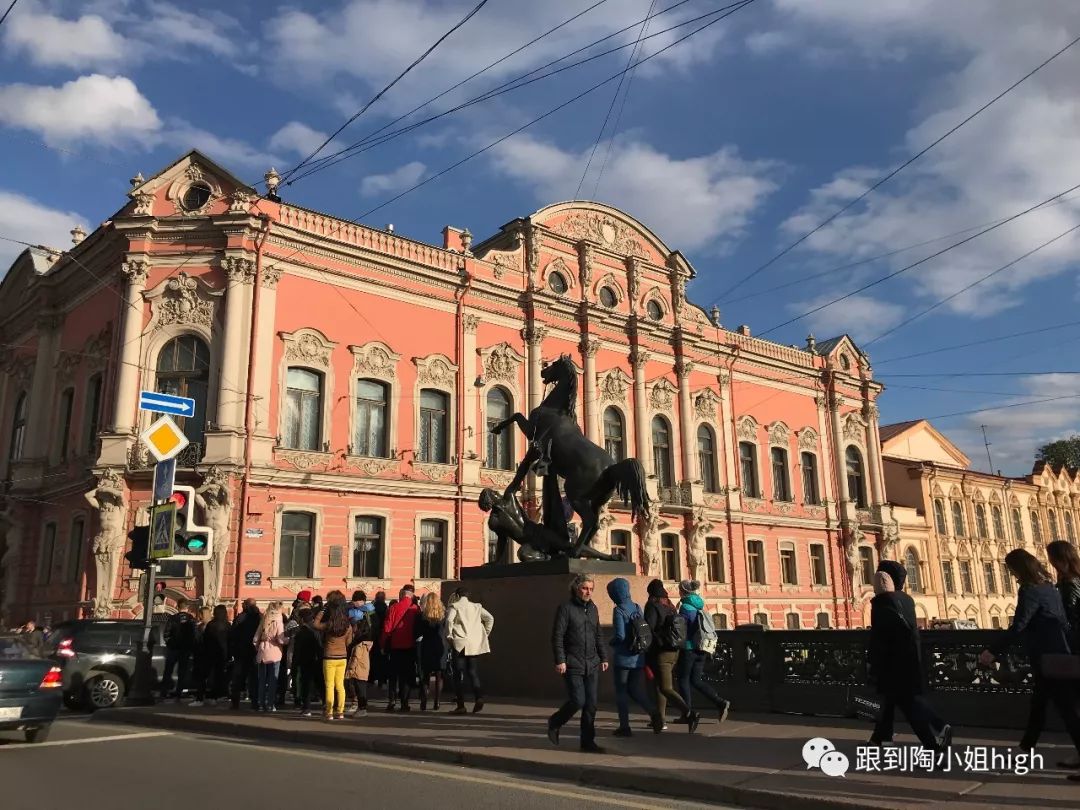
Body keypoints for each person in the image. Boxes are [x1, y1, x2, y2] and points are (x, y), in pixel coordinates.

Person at [980, 549, 1080, 780]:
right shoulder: (1049, 587)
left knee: (1066, 710)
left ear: (1018, 569)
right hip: (1059, 653)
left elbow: (1020, 625)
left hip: (1046, 657)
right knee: (1040, 705)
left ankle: (1026, 750)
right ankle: (1025, 749)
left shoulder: (1030, 590)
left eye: (1011, 569)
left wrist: (992, 651)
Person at [868, 562, 950, 752]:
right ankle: (880, 741)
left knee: (909, 707)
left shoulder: (881, 603)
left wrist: (872, 663)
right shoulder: (907, 600)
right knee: (892, 703)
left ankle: (936, 738)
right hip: (910, 660)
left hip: (892, 665)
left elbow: (879, 638)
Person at [547, 574, 608, 753]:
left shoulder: (594, 608)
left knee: (591, 705)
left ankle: (588, 742)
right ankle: (555, 722)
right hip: (572, 663)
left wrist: (603, 657)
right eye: (584, 588)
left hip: (592, 663)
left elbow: (598, 635)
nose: (588, 592)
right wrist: (560, 660)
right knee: (578, 700)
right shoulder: (566, 608)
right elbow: (557, 636)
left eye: (591, 589)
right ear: (576, 588)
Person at [606, 577, 659, 737]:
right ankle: (653, 712)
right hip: (638, 656)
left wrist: (612, 642)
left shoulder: (619, 610)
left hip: (623, 657)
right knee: (635, 689)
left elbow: (620, 635)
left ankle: (624, 727)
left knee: (621, 692)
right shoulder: (636, 607)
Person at [644, 579, 697, 733]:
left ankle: (689, 713)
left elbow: (649, 628)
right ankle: (660, 720)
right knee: (660, 686)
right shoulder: (670, 606)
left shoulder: (653, 605)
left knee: (666, 687)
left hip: (661, 652)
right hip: (676, 650)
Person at [675, 580, 731, 725]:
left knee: (683, 680)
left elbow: (682, 628)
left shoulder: (685, 607)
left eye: (679, 589)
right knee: (696, 680)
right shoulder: (699, 604)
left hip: (689, 648)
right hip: (702, 648)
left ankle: (687, 714)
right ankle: (720, 702)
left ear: (683, 591)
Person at [445, 586, 494, 714]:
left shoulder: (454, 606)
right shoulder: (476, 607)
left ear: (457, 595)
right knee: (473, 672)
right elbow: (490, 618)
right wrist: (484, 633)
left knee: (458, 675)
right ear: (468, 595)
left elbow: (449, 621)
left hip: (459, 643)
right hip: (473, 644)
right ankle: (479, 697)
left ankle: (461, 705)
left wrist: (449, 635)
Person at [381, 585, 420, 711]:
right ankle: (404, 702)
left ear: (402, 595)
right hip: (410, 646)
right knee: (406, 675)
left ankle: (392, 701)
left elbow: (387, 628)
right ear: (412, 595)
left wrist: (382, 644)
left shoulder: (393, 607)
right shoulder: (415, 609)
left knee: (393, 675)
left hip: (395, 646)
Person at [314, 597, 353, 721]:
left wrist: (322, 611)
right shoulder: (347, 625)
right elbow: (349, 642)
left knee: (329, 685)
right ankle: (340, 712)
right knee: (340, 685)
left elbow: (315, 624)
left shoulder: (329, 624)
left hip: (329, 657)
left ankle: (329, 712)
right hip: (342, 657)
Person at [415, 593, 448, 711]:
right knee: (439, 676)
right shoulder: (444, 615)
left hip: (427, 645)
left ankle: (423, 702)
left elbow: (418, 633)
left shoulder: (421, 616)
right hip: (440, 646)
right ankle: (437, 702)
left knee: (426, 676)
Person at [254, 601, 287, 712]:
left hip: (262, 653)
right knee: (273, 680)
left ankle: (260, 703)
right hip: (274, 654)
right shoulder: (279, 621)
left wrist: (259, 647)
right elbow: (281, 639)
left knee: (261, 680)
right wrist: (288, 640)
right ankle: (270, 704)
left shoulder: (264, 619)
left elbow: (255, 639)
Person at [161, 599, 196, 701]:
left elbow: (166, 634)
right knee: (182, 672)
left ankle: (164, 692)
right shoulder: (191, 619)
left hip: (173, 649)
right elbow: (194, 636)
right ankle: (178, 692)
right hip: (185, 650)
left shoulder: (172, 618)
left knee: (168, 671)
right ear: (187, 607)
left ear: (177, 607)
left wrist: (170, 644)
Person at [229, 599, 261, 710]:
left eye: (243, 604)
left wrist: (233, 649)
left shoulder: (241, 617)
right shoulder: (259, 617)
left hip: (241, 652)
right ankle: (255, 702)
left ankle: (235, 703)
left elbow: (233, 634)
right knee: (254, 678)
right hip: (254, 652)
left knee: (237, 678)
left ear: (246, 605)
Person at [196, 604, 230, 706]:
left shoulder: (211, 624)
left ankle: (202, 698)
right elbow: (231, 640)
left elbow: (205, 639)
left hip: (210, 654)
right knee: (219, 676)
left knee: (204, 676)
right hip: (223, 654)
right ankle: (215, 697)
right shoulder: (228, 625)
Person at [292, 607, 322, 716]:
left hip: (305, 661)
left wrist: (294, 663)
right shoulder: (317, 630)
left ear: (302, 619)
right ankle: (326, 706)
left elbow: (297, 650)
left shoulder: (301, 632)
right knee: (320, 684)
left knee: (306, 685)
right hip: (317, 660)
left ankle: (306, 708)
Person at [344, 609, 373, 718]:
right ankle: (361, 708)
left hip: (358, 670)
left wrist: (350, 670)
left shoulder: (359, 643)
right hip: (363, 669)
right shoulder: (366, 640)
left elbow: (355, 657)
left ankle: (362, 708)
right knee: (361, 689)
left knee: (360, 690)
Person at [189, 606, 212, 707]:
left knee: (201, 678)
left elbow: (197, 641)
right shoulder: (206, 625)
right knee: (205, 678)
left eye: (200, 614)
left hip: (202, 656)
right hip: (206, 655)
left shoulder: (203, 627)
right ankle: (208, 698)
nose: (198, 616)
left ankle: (200, 699)